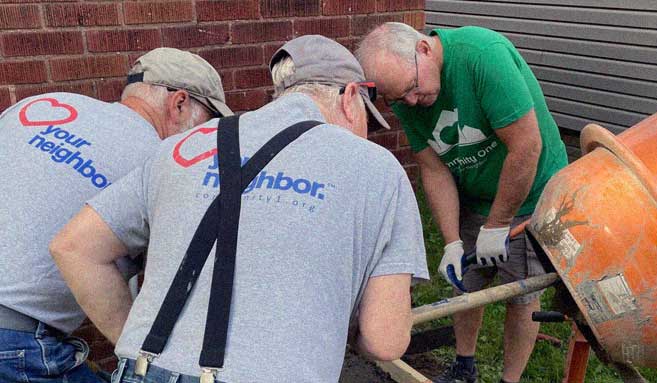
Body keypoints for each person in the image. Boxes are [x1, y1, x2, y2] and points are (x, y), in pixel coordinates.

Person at [50, 35, 429, 383]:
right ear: (350, 97)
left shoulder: (180, 148)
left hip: (145, 370)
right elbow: (385, 341)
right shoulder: (378, 169)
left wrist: (135, 339)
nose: (364, 133)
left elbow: (74, 248)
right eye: (366, 118)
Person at [0, 47, 231, 383]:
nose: (207, 138)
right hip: (16, 346)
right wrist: (143, 357)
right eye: (209, 122)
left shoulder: (45, 106)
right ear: (179, 103)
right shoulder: (165, 160)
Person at [356, 23, 568, 383]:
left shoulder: (483, 56)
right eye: (396, 99)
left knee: (520, 291)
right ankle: (464, 367)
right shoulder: (406, 92)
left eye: (411, 89)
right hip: (475, 193)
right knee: (465, 283)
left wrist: (499, 224)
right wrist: (452, 240)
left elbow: (526, 147)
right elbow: (434, 169)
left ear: (423, 49)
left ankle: (509, 380)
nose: (408, 103)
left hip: (530, 190)